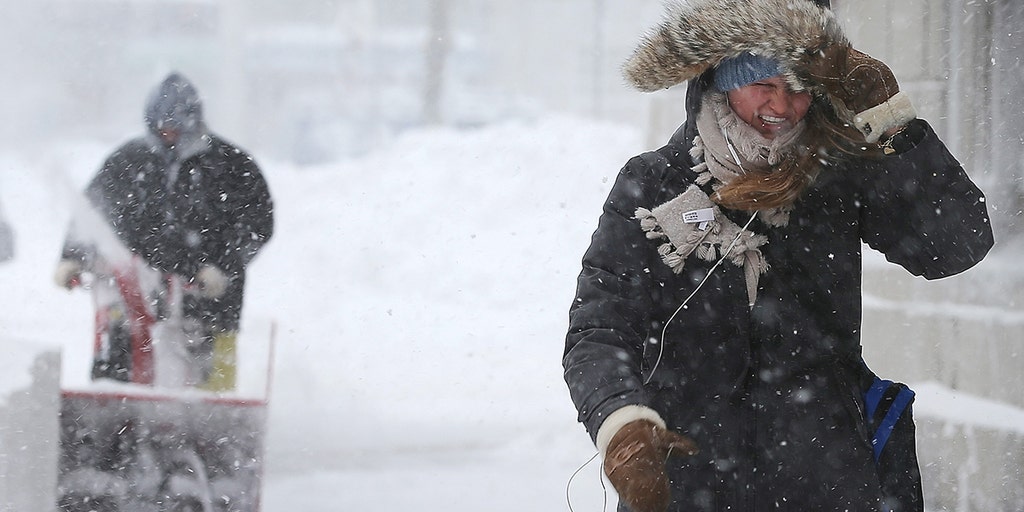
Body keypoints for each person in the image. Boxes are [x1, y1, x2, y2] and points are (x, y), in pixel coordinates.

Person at [562, 1, 994, 511]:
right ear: (721, 77)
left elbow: (956, 245)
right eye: (762, 84)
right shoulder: (654, 183)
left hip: (828, 479)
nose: (782, 106)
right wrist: (622, 424)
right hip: (688, 483)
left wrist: (890, 119)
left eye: (798, 87)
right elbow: (600, 329)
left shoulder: (838, 175)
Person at [54, 72, 274, 391]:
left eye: (175, 127)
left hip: (211, 302)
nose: (168, 135)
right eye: (161, 128)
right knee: (119, 368)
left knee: (210, 388)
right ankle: (115, 420)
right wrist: (72, 256)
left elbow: (257, 225)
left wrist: (223, 268)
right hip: (136, 293)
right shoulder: (128, 161)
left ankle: (211, 431)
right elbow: (91, 213)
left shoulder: (232, 166)